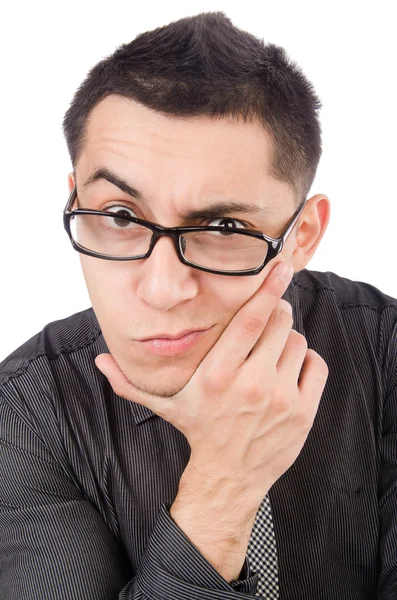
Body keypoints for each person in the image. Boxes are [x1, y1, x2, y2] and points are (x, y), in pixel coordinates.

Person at [0, 10, 395, 600]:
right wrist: (224, 487)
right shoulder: (24, 415)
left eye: (223, 225)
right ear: (76, 199)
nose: (161, 289)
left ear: (302, 236)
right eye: (120, 217)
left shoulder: (386, 357)